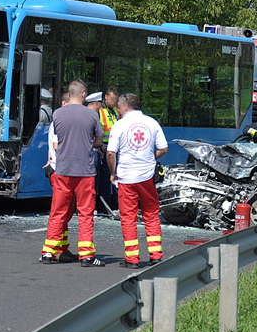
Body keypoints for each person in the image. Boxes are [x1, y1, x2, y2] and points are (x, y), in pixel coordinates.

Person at [41, 80, 105, 267]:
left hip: (63, 170)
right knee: (85, 213)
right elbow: (97, 142)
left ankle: (48, 252)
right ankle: (86, 255)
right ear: (84, 95)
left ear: (70, 94)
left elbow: (56, 143)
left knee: (58, 212)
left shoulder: (58, 114)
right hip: (84, 171)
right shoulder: (92, 115)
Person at [107, 93, 168, 268]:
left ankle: (132, 259)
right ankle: (156, 255)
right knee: (151, 215)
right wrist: (150, 158)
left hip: (126, 177)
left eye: (118, 107)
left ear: (125, 106)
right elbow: (164, 148)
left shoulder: (119, 125)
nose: (117, 110)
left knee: (128, 218)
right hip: (147, 177)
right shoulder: (152, 123)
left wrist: (113, 173)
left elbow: (111, 153)